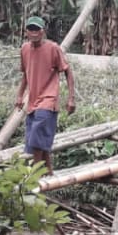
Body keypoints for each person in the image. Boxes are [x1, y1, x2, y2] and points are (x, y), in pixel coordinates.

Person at [14, 15, 78, 174]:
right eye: (31, 29)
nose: (34, 32)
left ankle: (34, 174)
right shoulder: (24, 49)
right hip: (32, 102)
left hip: (48, 100)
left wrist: (71, 98)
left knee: (36, 138)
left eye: (37, 29)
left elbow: (68, 72)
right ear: (26, 32)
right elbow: (25, 74)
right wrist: (20, 96)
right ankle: (48, 171)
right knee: (38, 139)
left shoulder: (53, 48)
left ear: (43, 31)